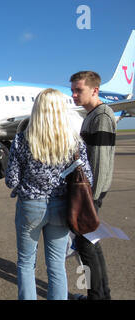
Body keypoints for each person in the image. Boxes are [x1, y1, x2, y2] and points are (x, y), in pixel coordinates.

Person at [5, 88, 93, 300]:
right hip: (62, 206)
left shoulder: (21, 140)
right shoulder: (73, 141)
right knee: (56, 264)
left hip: (30, 206)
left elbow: (11, 180)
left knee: (26, 263)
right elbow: (87, 177)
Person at [70, 71, 116, 300]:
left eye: (79, 90)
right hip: (89, 192)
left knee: (85, 246)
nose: (74, 94)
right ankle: (101, 294)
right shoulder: (91, 115)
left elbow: (100, 162)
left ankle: (96, 296)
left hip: (90, 194)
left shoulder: (102, 116)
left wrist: (91, 199)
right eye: (73, 90)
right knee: (91, 245)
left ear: (95, 90)